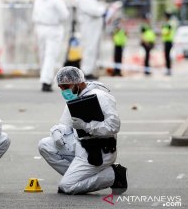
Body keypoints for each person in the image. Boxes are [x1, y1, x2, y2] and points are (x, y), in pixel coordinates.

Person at [38, 66, 127, 195]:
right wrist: (57, 131)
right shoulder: (75, 97)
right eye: (61, 88)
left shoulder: (101, 96)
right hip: (79, 145)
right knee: (45, 145)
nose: (63, 90)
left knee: (66, 187)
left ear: (78, 82)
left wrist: (86, 126)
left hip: (99, 151)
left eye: (66, 86)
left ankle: (112, 175)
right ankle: (77, 177)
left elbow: (113, 127)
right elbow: (65, 124)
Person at [32, 0, 69, 92]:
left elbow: (34, 15)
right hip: (53, 29)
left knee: (43, 55)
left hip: (40, 28)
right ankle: (46, 81)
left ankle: (44, 77)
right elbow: (65, 15)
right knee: (50, 55)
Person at [77, 0, 107, 80]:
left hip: (94, 29)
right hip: (88, 29)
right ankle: (85, 71)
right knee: (88, 50)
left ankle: (90, 70)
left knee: (93, 50)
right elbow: (96, 11)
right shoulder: (84, 0)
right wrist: (103, 9)